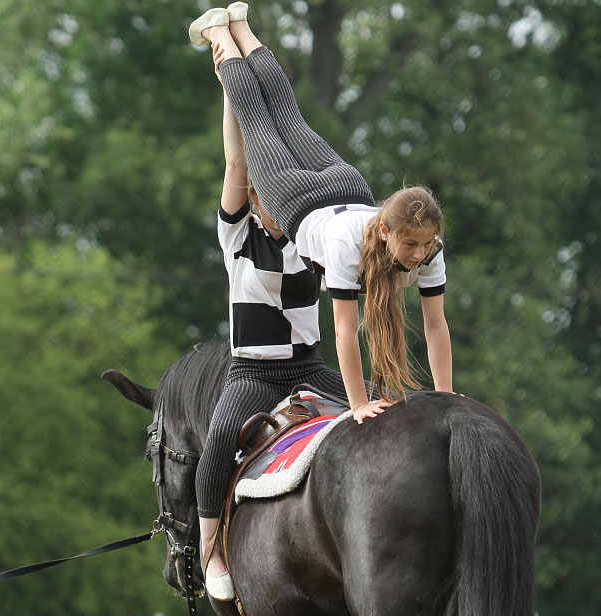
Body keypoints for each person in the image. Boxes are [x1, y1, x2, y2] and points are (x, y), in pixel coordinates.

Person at [189, 3, 453, 424]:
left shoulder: (428, 247)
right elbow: (345, 332)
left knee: (287, 113)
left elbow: (436, 326)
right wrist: (359, 405)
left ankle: (240, 24)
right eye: (410, 245)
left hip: (347, 187)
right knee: (261, 119)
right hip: (295, 197)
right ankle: (222, 34)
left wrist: (445, 396)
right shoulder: (345, 247)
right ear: (385, 230)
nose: (419, 254)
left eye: (425, 245)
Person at [196, 79, 355, 601]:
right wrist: (230, 88)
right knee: (219, 442)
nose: (269, 202)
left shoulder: (312, 240)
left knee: (382, 404)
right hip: (254, 372)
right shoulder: (237, 236)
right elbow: (236, 165)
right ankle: (211, 550)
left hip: (308, 368)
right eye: (261, 197)